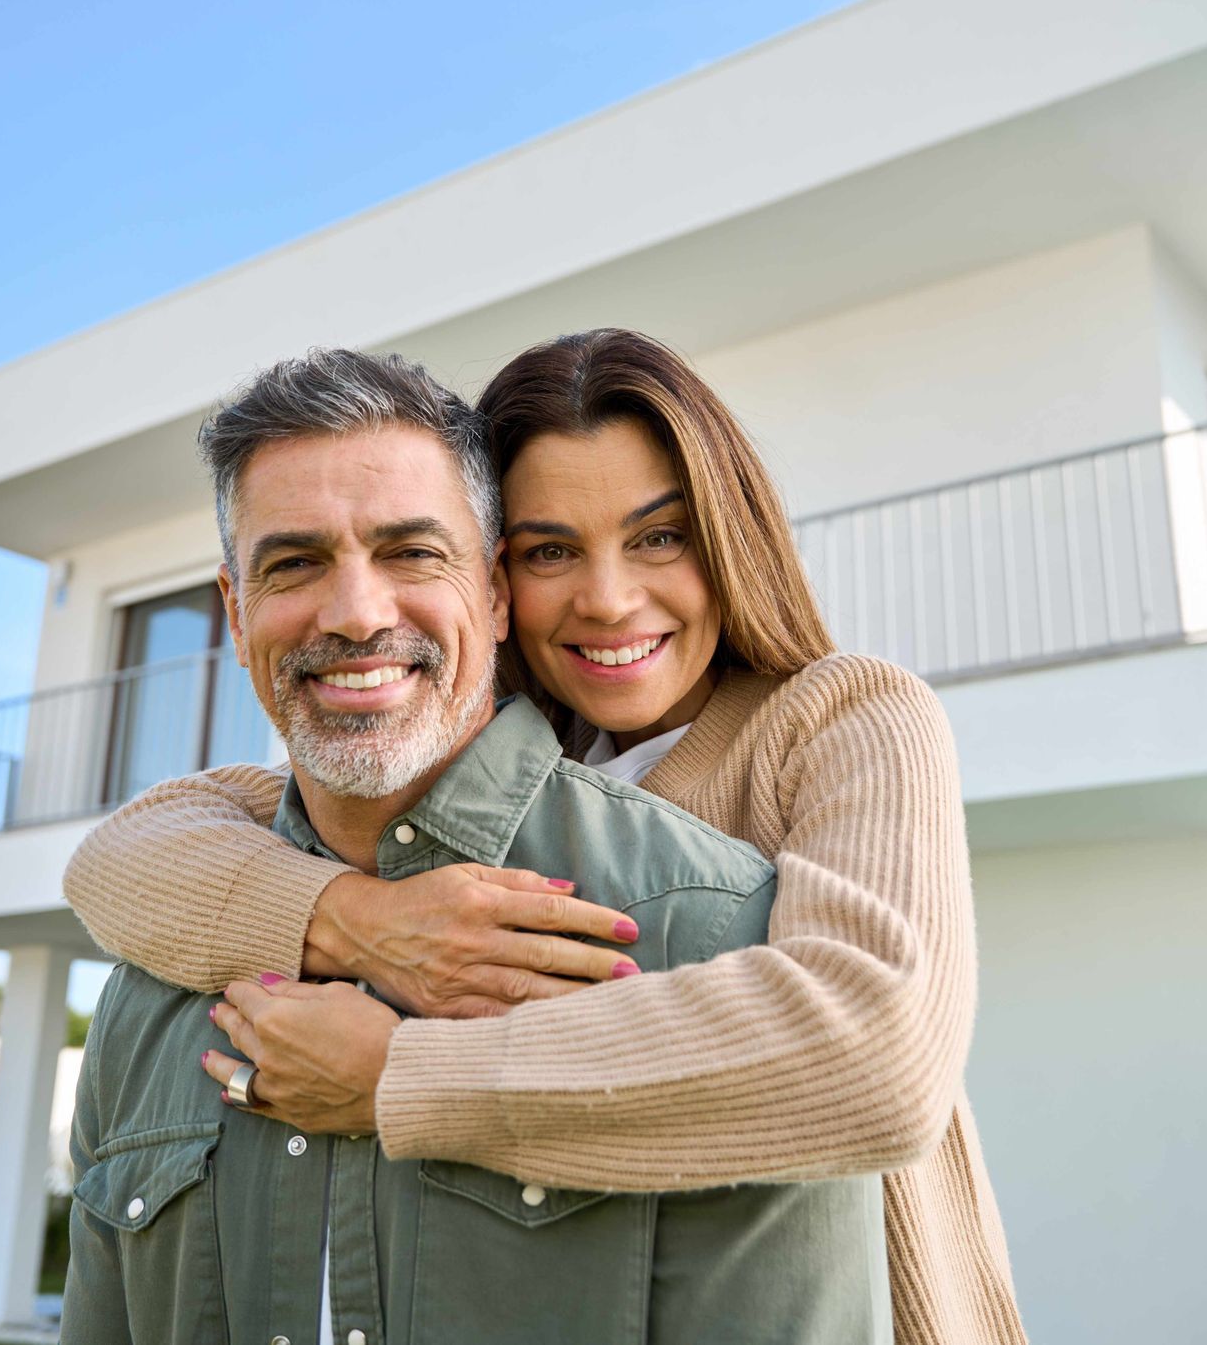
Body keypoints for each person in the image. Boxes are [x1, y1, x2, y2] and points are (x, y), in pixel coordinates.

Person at [66, 330, 1027, 1345]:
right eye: (551, 551)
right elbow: (124, 855)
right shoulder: (468, 742)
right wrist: (360, 921)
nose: (607, 598)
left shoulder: (839, 717)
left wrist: (399, 1075)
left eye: (659, 536)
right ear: (500, 583)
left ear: (729, 537)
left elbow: (877, 1056)